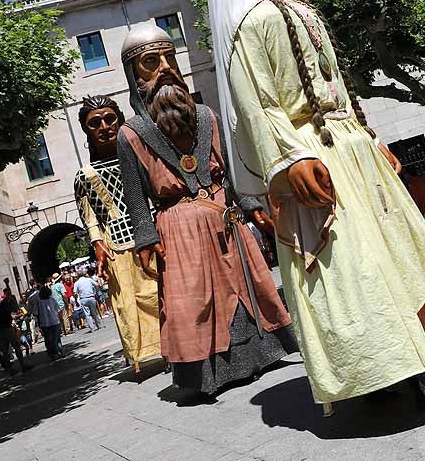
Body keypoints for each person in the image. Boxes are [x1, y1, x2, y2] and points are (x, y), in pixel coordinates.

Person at [186, 0, 425, 414]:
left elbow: (336, 85)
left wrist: (369, 137)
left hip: (351, 151)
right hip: (312, 158)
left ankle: (412, 354)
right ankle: (381, 371)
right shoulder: (243, 26)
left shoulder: (296, 5)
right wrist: (288, 160)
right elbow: (259, 106)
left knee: (387, 254)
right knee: (349, 267)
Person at [116, 22, 298, 398]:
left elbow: (230, 170)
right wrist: (146, 239)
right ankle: (206, 375)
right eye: (152, 62)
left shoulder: (206, 116)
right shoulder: (130, 133)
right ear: (135, 74)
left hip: (224, 216)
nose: (165, 67)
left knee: (248, 287)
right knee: (193, 301)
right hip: (177, 228)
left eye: (169, 57)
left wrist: (250, 204)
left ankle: (264, 353)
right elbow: (135, 196)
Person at [74, 94, 162, 369]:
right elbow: (89, 217)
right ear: (87, 130)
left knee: (160, 293)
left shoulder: (140, 159)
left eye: (110, 119)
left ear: (120, 120)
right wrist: (97, 244)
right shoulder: (84, 175)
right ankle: (138, 355)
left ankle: (173, 343)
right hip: (117, 247)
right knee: (127, 304)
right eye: (95, 123)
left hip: (152, 235)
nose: (104, 127)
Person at [0, 292, 32, 374]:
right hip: (7, 329)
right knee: (16, 347)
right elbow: (9, 296)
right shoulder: (0, 306)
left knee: (5, 351)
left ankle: (10, 370)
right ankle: (23, 365)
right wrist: (7, 284)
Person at [28, 285, 63, 360]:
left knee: (48, 339)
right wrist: (60, 319)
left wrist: (39, 323)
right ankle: (59, 352)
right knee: (57, 338)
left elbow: (35, 313)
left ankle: (52, 354)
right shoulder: (52, 299)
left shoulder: (39, 302)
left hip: (45, 323)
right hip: (55, 321)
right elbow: (58, 309)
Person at [72, 267, 102, 333]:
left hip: (83, 298)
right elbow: (97, 285)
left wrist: (76, 299)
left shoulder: (76, 283)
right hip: (91, 296)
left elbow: (74, 293)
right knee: (94, 312)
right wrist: (96, 292)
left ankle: (92, 328)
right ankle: (98, 325)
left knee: (87, 314)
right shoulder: (88, 280)